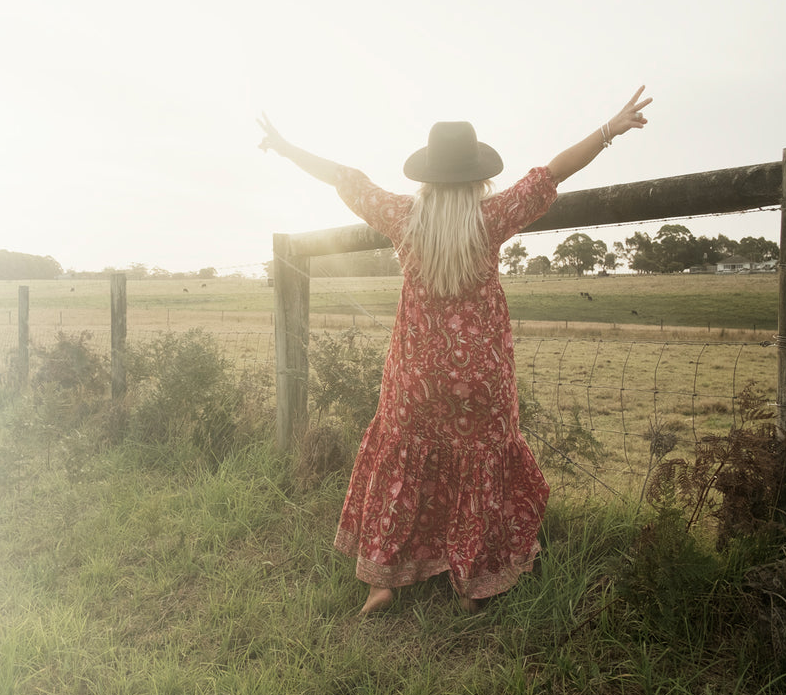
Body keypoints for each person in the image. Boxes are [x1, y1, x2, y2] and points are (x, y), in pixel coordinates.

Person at [258, 87, 652, 614]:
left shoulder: (403, 216)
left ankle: (384, 581)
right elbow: (553, 171)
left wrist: (286, 147)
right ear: (476, 174)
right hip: (480, 373)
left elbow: (344, 177)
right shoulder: (491, 218)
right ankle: (472, 583)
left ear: (425, 175)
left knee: (405, 462)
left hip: (416, 372)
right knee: (478, 467)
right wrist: (609, 129)